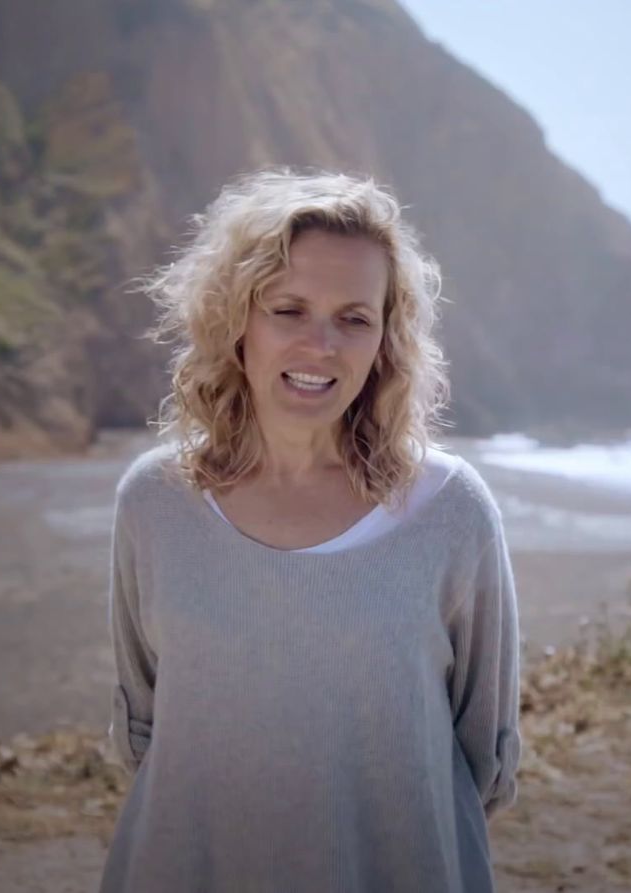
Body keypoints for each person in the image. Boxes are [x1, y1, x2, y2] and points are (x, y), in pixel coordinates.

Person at [99, 168, 521, 892]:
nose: (321, 344)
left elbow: (483, 754)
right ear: (237, 321)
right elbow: (145, 726)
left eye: (354, 317)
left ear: (386, 339)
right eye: (287, 309)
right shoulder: (155, 503)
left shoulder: (451, 512)